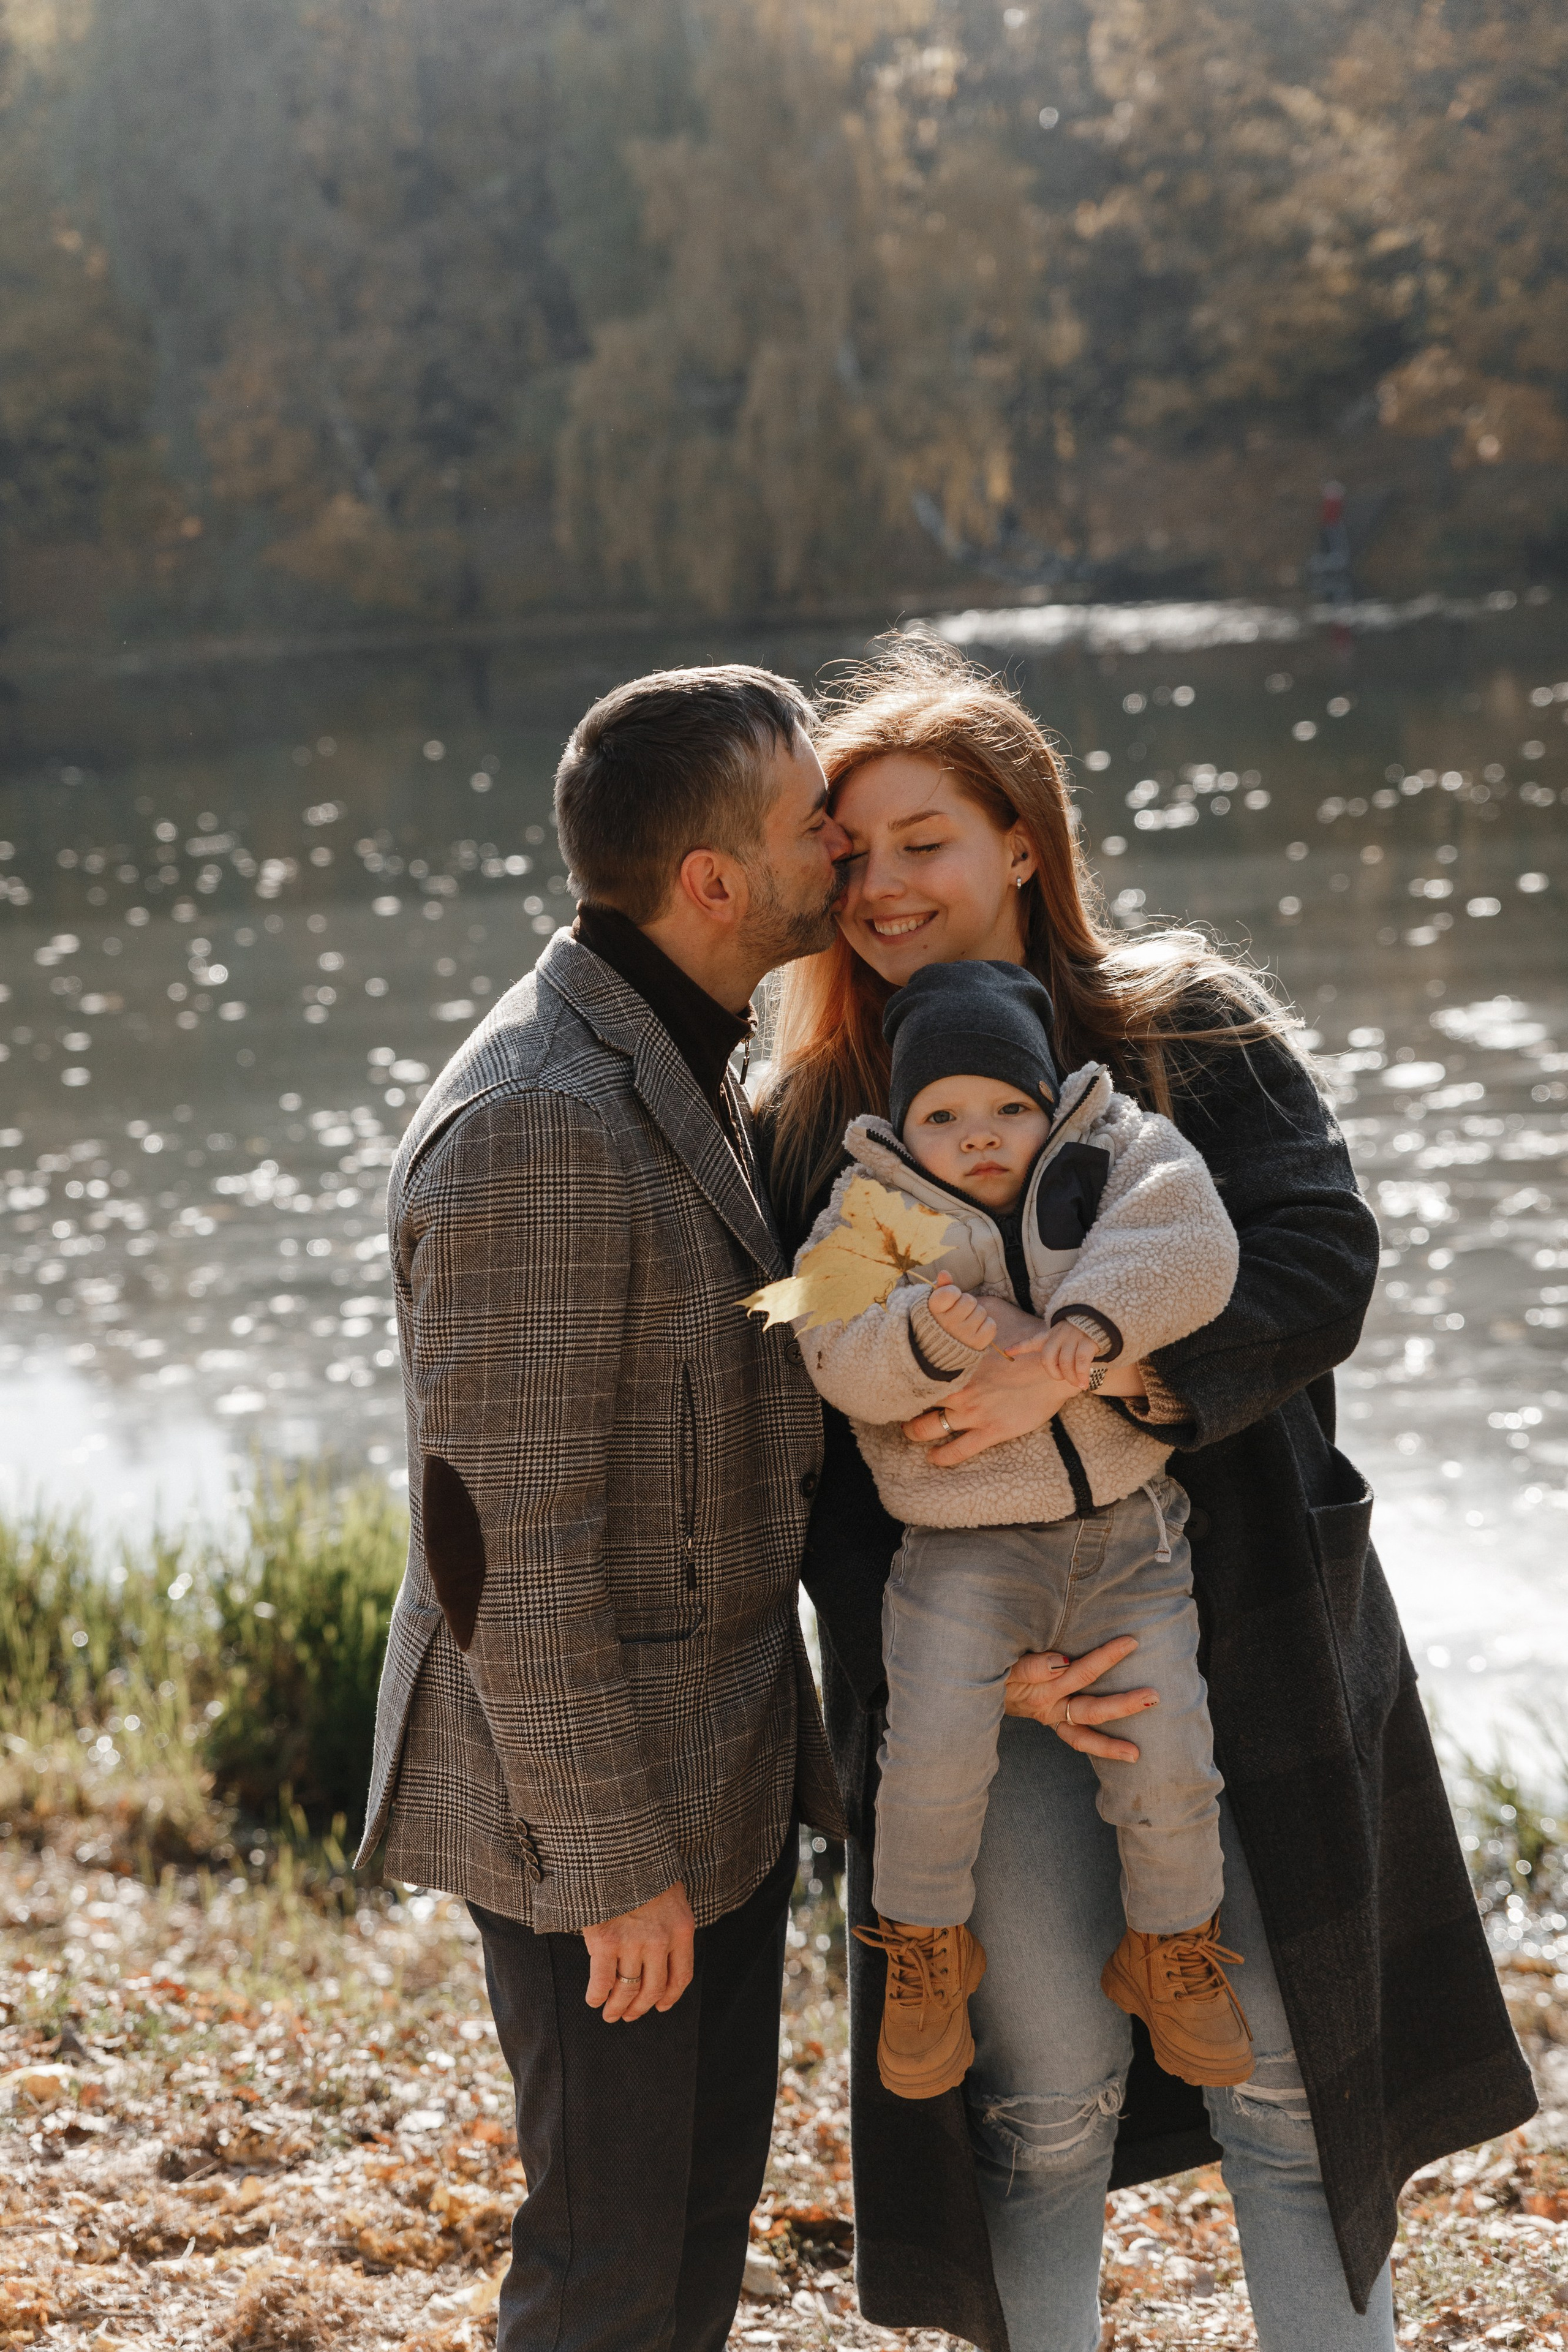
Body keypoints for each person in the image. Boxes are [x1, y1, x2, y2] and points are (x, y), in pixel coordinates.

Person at [756, 633, 1535, 2352]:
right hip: (984, 1672)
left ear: (1024, 843)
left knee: (1288, 2088)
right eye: (853, 851)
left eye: (925, 840)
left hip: (1229, 1613)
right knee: (1036, 2113)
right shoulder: (813, 1116)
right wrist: (973, 1665)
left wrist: (1093, 1363)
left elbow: (1322, 1257)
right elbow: (788, 1438)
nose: (883, 886)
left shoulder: (1183, 1027)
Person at [356, 665, 854, 2352]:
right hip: (595, 1808)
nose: (844, 841)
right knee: (610, 2272)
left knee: (694, 2240)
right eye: (812, 823)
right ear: (713, 881)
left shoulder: (678, 1038)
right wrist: (614, 1861)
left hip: (708, 1760)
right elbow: (502, 1552)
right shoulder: (540, 1127)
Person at [785, 956, 1250, 2099]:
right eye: (943, 1114)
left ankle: (1171, 1946)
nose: (979, 1135)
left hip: (1131, 1533)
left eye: (1008, 1107)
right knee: (930, 1752)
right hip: (960, 1546)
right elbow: (834, 1350)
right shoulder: (871, 1211)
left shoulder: (1117, 1149)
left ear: (1051, 1101)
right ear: (903, 1124)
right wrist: (937, 1338)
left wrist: (1081, 1334)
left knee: (1170, 1753)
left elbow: (1195, 1248)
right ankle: (926, 1946)